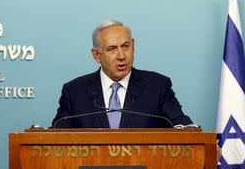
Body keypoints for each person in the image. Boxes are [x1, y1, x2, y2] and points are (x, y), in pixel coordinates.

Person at [52, 20, 193, 128]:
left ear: (133, 45)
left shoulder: (158, 86)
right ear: (96, 55)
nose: (121, 56)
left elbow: (182, 125)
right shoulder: (75, 91)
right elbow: (56, 138)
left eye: (126, 47)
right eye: (112, 49)